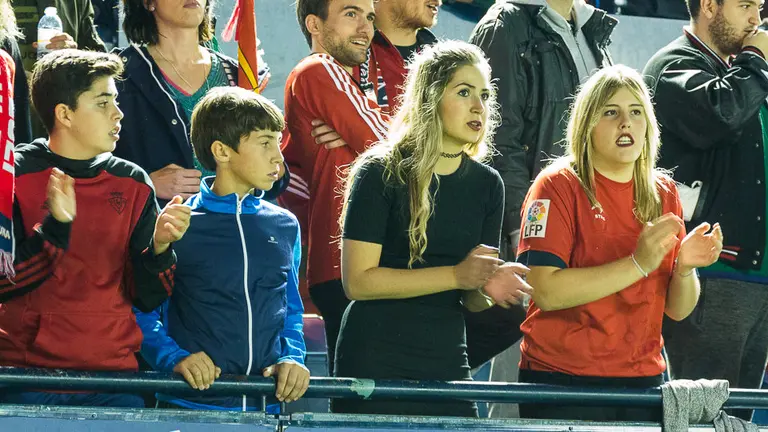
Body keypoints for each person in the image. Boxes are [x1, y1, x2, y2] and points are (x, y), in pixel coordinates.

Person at [333, 40, 533, 417]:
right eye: (464, 92)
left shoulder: (489, 184)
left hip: (445, 356)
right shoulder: (379, 172)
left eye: (485, 95)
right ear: (430, 99)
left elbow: (470, 299)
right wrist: (458, 275)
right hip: (375, 356)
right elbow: (358, 282)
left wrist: (486, 288)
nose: (480, 106)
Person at [515, 64, 723, 422]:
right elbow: (544, 290)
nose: (626, 122)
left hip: (642, 380)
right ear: (587, 125)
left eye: (636, 112)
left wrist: (685, 269)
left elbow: (677, 310)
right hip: (561, 380)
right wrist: (637, 264)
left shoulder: (663, 192)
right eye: (611, 112)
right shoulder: (555, 186)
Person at [0, 49, 189, 407]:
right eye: (103, 103)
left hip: (115, 382)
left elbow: (147, 297)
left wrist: (161, 249)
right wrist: (56, 227)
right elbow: (4, 283)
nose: (118, 114)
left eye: (115, 102)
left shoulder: (134, 182)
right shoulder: (13, 174)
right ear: (64, 113)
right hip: (25, 380)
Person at [136, 87, 309, 411]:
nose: (278, 156)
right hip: (189, 409)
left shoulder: (284, 225)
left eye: (277, 141)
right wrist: (174, 359)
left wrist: (292, 357)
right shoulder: (176, 223)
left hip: (267, 411)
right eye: (264, 142)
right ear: (222, 151)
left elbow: (290, 310)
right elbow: (142, 312)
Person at [643, 0, 768, 421]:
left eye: (760, 6)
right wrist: (755, 60)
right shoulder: (672, 66)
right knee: (701, 419)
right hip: (709, 275)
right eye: (745, 5)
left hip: (754, 273)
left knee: (738, 420)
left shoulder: (746, 75)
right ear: (709, 5)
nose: (757, 18)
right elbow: (722, 114)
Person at [281, 0, 390, 375]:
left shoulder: (356, 89)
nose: (365, 28)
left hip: (358, 261)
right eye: (350, 14)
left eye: (370, 17)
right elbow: (388, 148)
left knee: (367, 398)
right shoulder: (317, 68)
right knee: (365, 400)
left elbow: (375, 139)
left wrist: (355, 131)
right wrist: (363, 131)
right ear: (314, 24)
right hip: (349, 262)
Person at [115, 0, 284, 206]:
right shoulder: (119, 77)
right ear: (149, 3)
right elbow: (85, 169)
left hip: (236, 226)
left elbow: (277, 180)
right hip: (162, 229)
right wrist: (144, 184)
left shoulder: (237, 75)